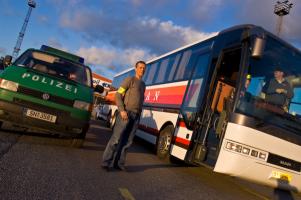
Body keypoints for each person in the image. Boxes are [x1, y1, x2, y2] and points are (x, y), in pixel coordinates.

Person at [102, 61, 146, 171]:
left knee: (127, 142)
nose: (142, 70)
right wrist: (122, 110)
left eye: (144, 68)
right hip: (125, 113)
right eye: (140, 67)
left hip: (136, 116)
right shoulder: (129, 80)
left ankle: (119, 164)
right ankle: (106, 162)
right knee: (116, 139)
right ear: (135, 69)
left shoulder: (143, 84)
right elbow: (118, 95)